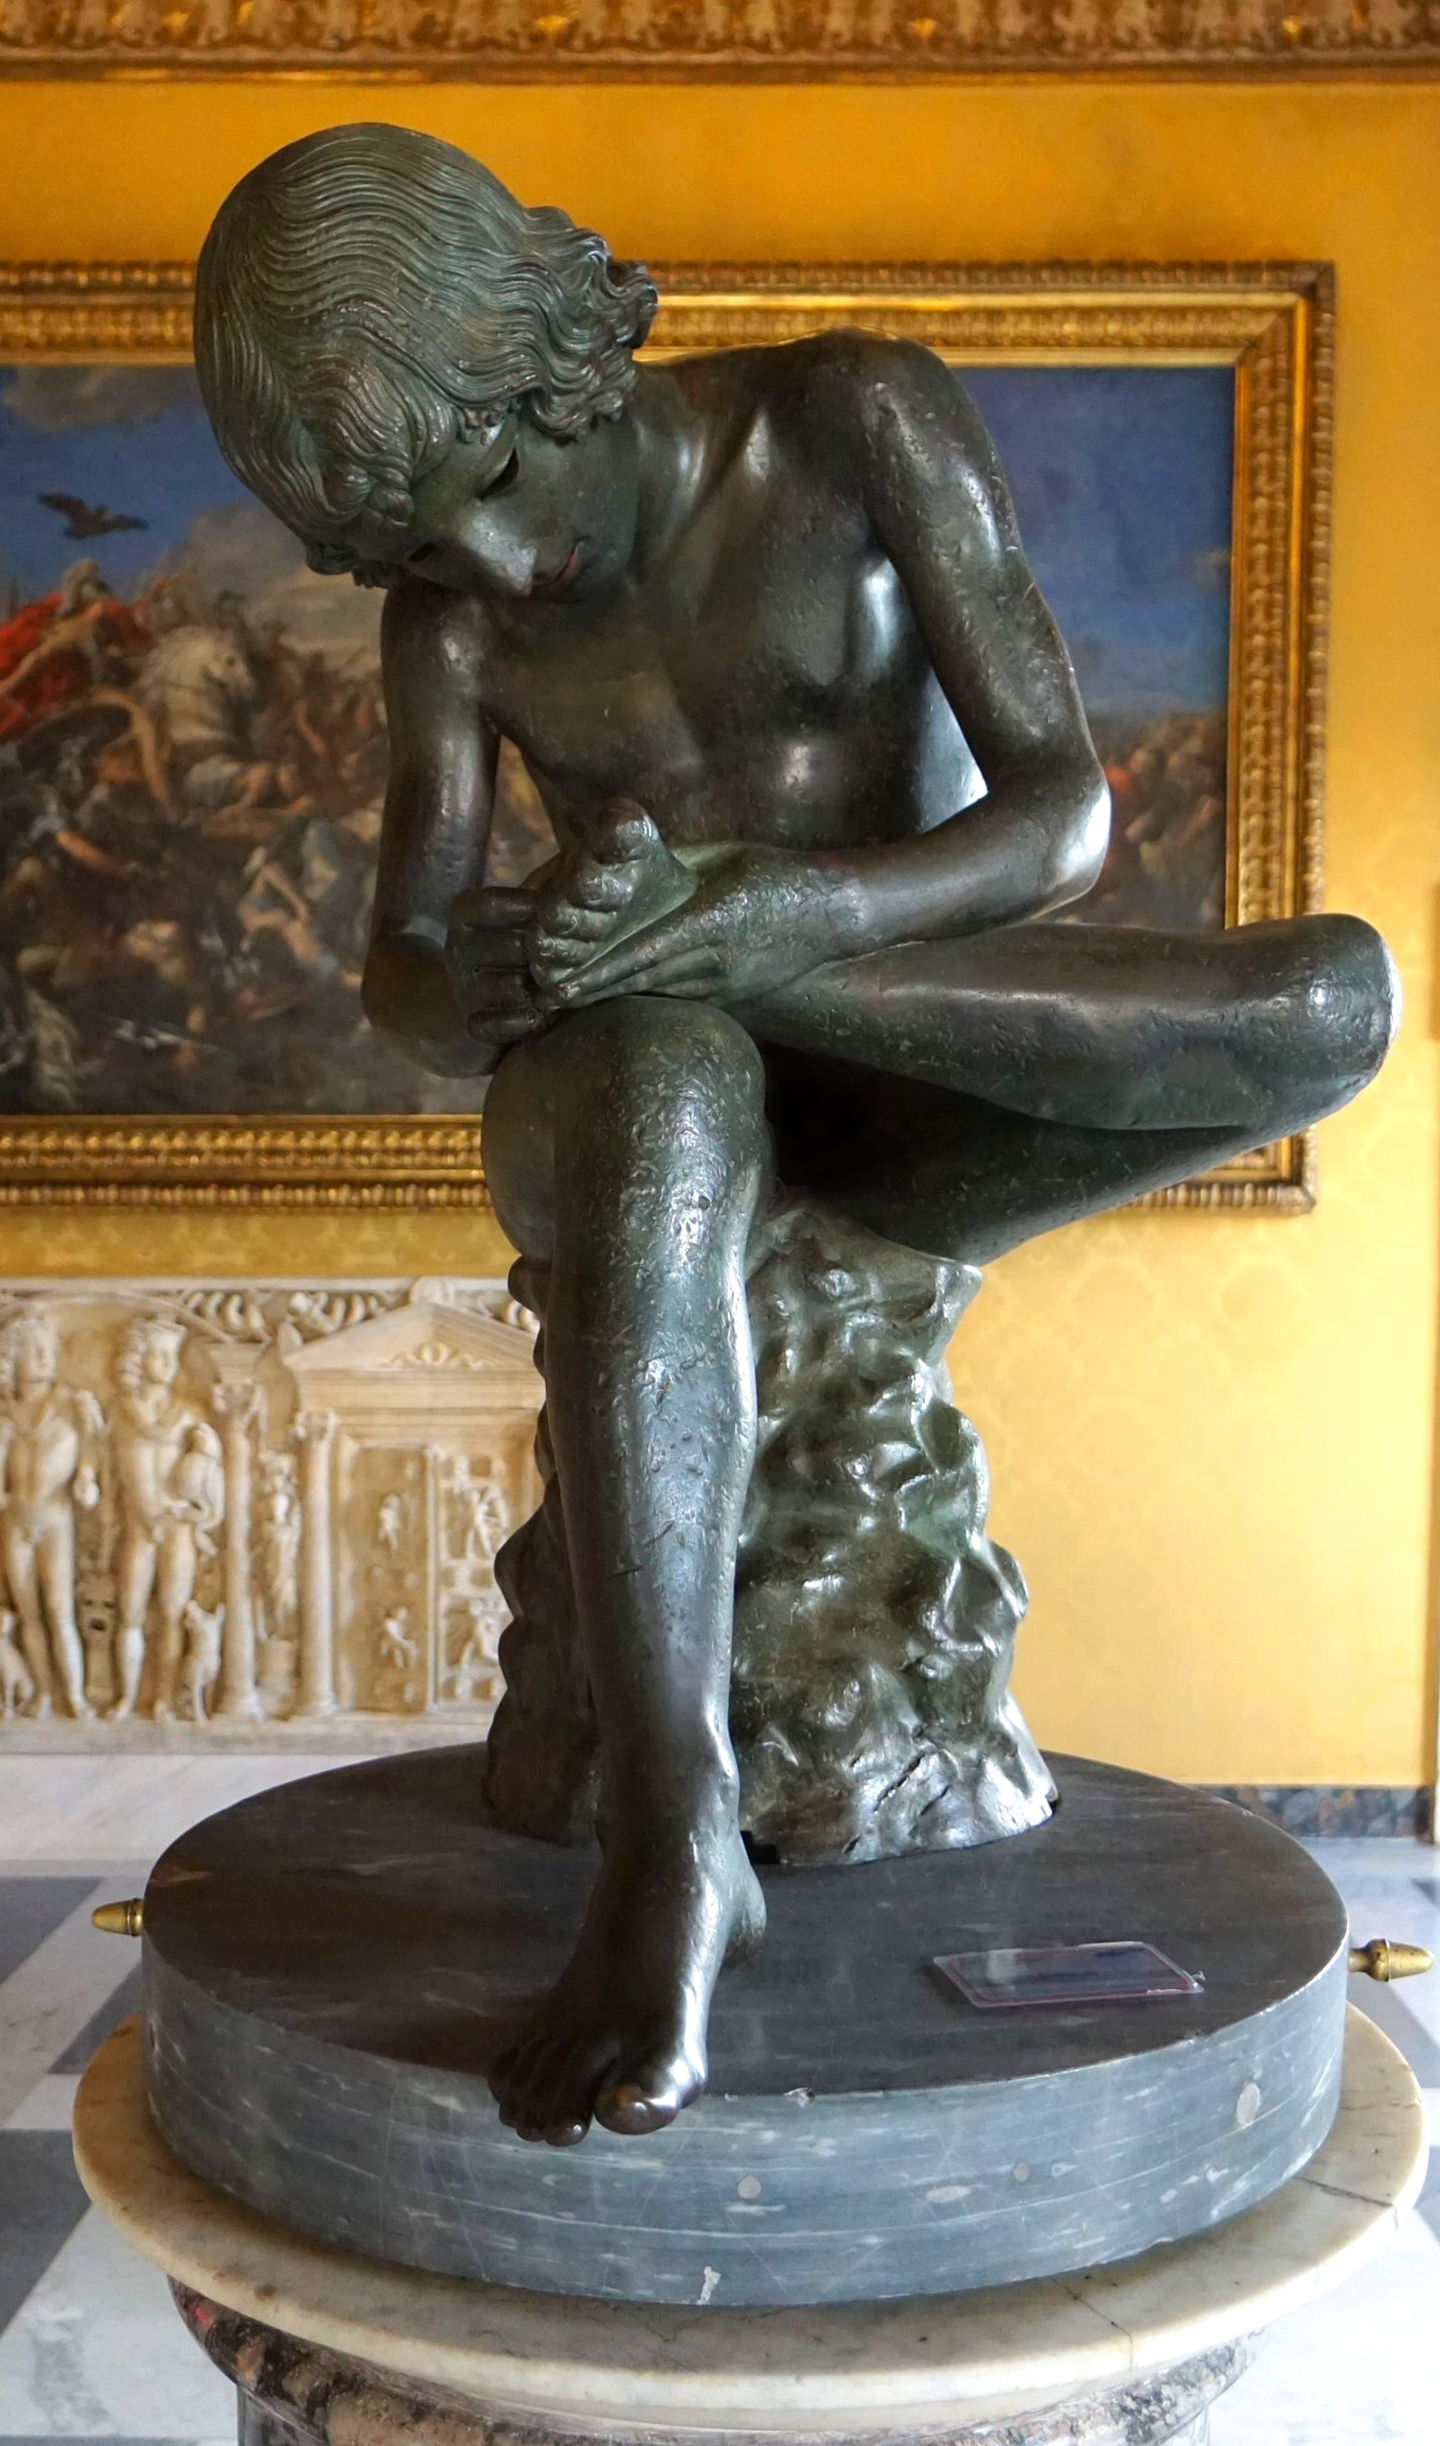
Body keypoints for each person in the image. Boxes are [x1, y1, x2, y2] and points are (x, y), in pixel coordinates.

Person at [194, 123, 1397, 2150]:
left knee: (1334, 998)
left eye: (485, 476)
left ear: (544, 343)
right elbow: (402, 969)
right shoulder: (452, 632)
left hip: (907, 1054)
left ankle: (729, 981)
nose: (488, 561)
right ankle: (676, 1841)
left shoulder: (851, 424)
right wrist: (490, 971)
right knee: (674, 1064)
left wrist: (785, 921)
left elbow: (1061, 819)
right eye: (416, 543)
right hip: (631, 1100)